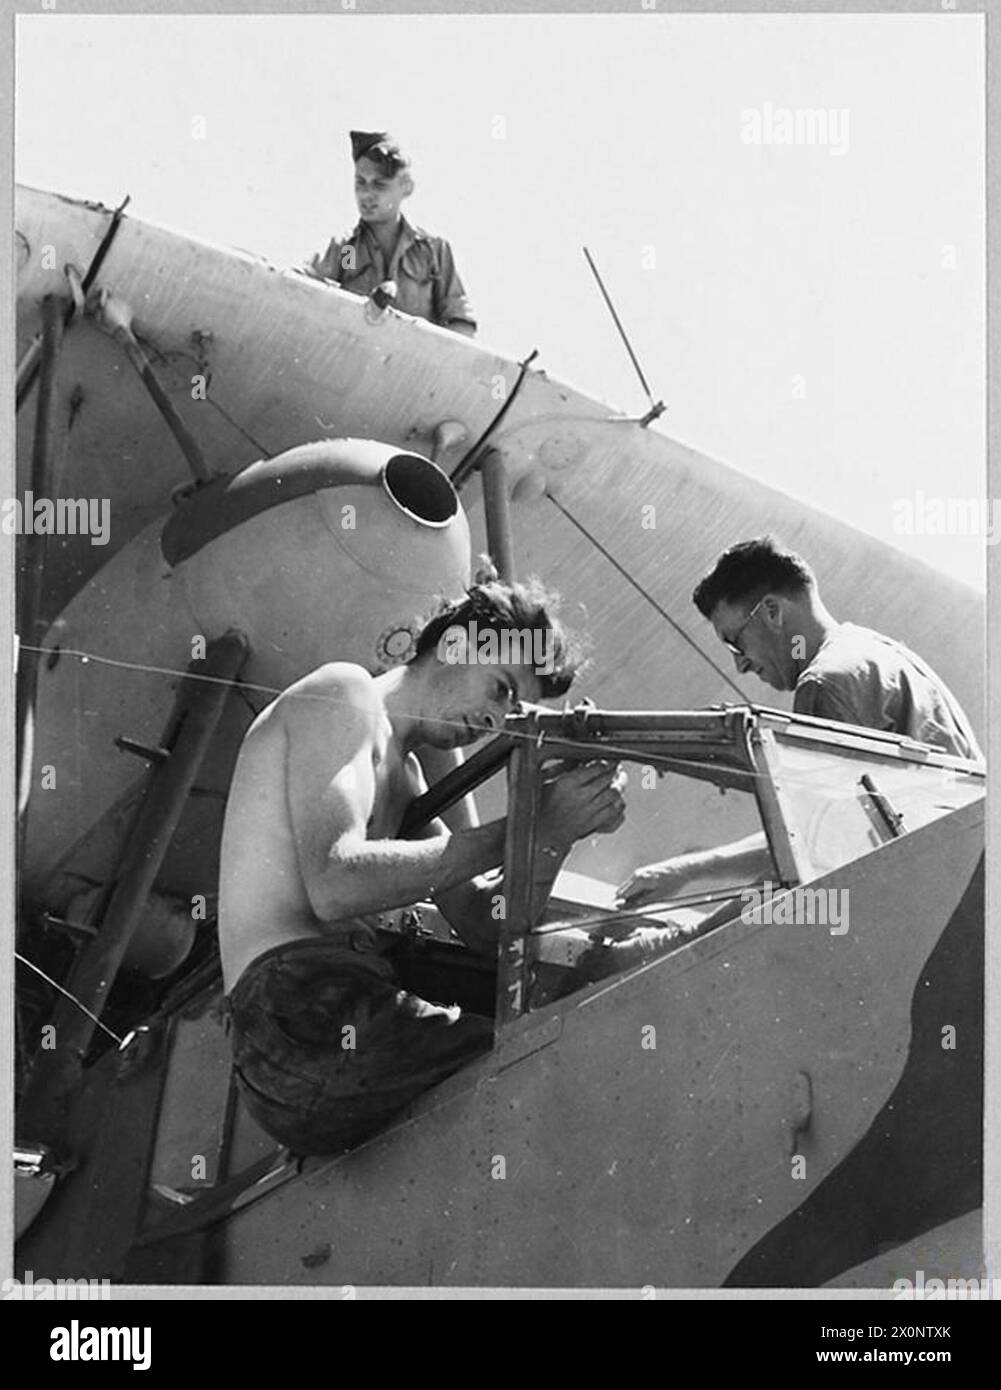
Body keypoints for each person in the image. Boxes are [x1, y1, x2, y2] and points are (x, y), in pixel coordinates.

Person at [219, 573, 626, 1155]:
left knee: (551, 1046)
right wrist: (523, 828)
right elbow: (335, 883)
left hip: (335, 1021)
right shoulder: (344, 693)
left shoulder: (413, 772)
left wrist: (553, 835)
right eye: (501, 688)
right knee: (555, 1062)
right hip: (296, 1009)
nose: (497, 719)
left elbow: (486, 927)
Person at [618, 536, 982, 910]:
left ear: (772, 611)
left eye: (735, 643)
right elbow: (819, 829)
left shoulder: (826, 683)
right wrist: (687, 869)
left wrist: (672, 941)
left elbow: (810, 860)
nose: (739, 665)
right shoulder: (875, 653)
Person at [304, 130, 477, 336]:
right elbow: (302, 291)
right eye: (360, 182)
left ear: (406, 187)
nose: (366, 194)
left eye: (379, 185)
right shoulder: (348, 249)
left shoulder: (432, 252)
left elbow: (460, 323)